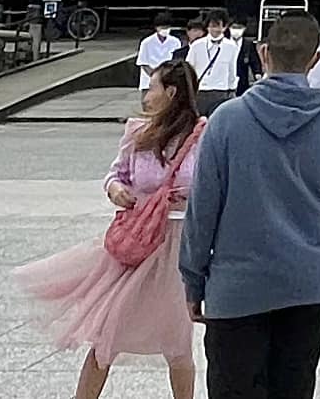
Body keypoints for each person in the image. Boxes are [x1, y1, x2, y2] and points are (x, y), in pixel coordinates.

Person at [179, 10, 320, 398]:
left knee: (233, 388)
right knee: (294, 386)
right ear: (315, 59)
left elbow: (202, 211)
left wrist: (193, 278)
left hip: (236, 285)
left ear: (262, 52)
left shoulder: (226, 120)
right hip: (308, 281)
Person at [16, 57, 206, 399]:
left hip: (180, 245)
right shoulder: (138, 132)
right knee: (107, 332)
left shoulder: (203, 136)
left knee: (178, 341)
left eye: (152, 87)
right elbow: (116, 173)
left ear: (171, 92)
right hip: (138, 243)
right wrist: (115, 189)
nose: (146, 95)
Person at [188, 11, 242, 118]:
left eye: (218, 26)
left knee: (218, 120)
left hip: (220, 91)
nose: (215, 29)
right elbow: (189, 67)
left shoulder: (231, 46)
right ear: (207, 27)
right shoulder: (196, 45)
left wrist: (231, 89)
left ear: (224, 27)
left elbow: (232, 70)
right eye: (212, 26)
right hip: (200, 91)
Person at [137, 13, 180, 93]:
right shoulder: (146, 42)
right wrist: (155, 77)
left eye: (167, 27)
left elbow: (177, 61)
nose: (165, 30)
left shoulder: (175, 41)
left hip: (168, 82)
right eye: (162, 27)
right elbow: (143, 63)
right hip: (149, 81)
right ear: (156, 27)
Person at [232, 24, 263, 95]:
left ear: (244, 29)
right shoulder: (224, 42)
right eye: (234, 28)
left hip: (242, 76)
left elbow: (254, 60)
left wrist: (257, 72)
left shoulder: (248, 44)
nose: (236, 31)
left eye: (239, 28)